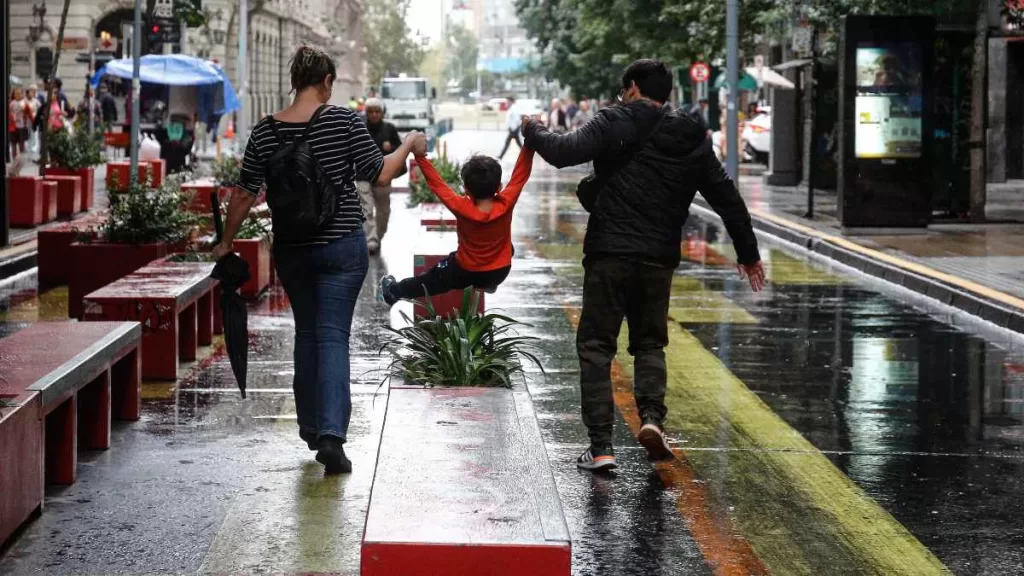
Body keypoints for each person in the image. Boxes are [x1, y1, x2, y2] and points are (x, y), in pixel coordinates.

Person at [521, 59, 765, 473]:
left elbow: (562, 152)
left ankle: (601, 446)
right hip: (657, 258)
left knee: (596, 348)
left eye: (623, 90)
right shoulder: (692, 136)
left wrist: (533, 129)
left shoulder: (614, 120)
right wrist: (748, 253)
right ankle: (652, 420)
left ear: (632, 88)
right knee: (650, 344)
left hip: (610, 254)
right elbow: (727, 197)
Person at [212, 44, 423, 475]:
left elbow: (244, 193)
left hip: (293, 251)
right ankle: (330, 435)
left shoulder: (265, 131)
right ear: (326, 82)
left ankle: (311, 427)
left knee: (306, 333)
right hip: (342, 246)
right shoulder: (343, 120)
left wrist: (226, 243)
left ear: (294, 81)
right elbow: (380, 171)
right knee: (331, 337)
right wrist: (410, 145)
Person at [378, 145, 535, 306]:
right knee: (506, 246)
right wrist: (529, 143)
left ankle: (394, 291)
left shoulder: (461, 206)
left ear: (466, 189)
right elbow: (520, 174)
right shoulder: (507, 202)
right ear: (499, 187)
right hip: (499, 271)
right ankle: (488, 284)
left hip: (466, 271)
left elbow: (437, 184)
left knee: (434, 278)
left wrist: (420, 157)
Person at [358, 97, 402, 254]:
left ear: (382, 113)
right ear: (367, 113)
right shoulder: (360, 128)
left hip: (383, 175)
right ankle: (371, 240)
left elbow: (400, 149)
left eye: (377, 111)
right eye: (371, 112)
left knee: (384, 211)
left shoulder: (389, 129)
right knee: (366, 209)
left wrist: (391, 147)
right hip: (362, 175)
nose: (374, 115)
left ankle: (378, 236)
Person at [497, 95, 523, 160]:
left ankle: (500, 156)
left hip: (514, 130)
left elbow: (517, 120)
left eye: (507, 101)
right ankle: (525, 153)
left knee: (507, 143)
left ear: (511, 102)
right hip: (512, 129)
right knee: (518, 143)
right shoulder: (511, 108)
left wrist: (513, 129)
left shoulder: (514, 109)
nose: (506, 103)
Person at [9, 87, 30, 159]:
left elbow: (28, 112)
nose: (18, 95)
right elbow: (10, 113)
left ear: (22, 94)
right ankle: (14, 157)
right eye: (16, 94)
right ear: (13, 95)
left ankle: (20, 157)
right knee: (13, 142)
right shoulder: (12, 103)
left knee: (21, 143)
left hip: (21, 126)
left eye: (19, 93)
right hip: (13, 126)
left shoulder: (24, 102)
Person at [25, 85, 40, 153]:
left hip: (34, 119)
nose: (31, 95)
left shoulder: (36, 100)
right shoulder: (24, 101)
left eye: (32, 93)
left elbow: (40, 107)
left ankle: (34, 147)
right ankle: (28, 146)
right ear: (27, 94)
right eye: (30, 93)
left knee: (34, 133)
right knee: (28, 133)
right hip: (27, 119)